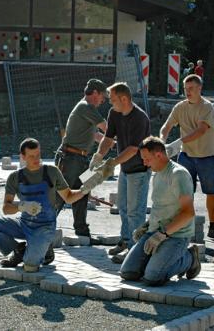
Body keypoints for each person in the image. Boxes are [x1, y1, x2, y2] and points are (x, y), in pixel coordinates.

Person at [0, 138, 87, 273]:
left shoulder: (52, 172)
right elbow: (6, 208)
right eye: (31, 156)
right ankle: (19, 250)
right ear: (23, 157)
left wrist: (84, 190)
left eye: (38, 155)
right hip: (23, 224)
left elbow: (68, 197)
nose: (36, 159)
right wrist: (22, 206)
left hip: (45, 227)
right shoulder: (15, 177)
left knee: (30, 267)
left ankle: (44, 249)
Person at [160, 74, 214, 242]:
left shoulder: (207, 107)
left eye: (191, 89)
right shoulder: (180, 107)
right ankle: (184, 226)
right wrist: (161, 141)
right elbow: (167, 126)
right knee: (184, 192)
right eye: (185, 89)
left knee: (212, 191)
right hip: (186, 156)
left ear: (200, 88)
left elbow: (201, 130)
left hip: (206, 156)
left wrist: (178, 141)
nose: (188, 92)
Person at [120, 136, 201, 286]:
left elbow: (188, 213)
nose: (144, 163)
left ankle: (189, 258)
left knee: (153, 277)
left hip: (176, 235)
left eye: (146, 159)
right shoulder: (157, 174)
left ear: (159, 155)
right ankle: (157, 261)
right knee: (128, 273)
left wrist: (163, 234)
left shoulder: (178, 175)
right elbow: (161, 207)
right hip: (154, 233)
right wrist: (146, 226)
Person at [91, 82, 151, 264]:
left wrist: (111, 163)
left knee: (135, 213)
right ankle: (125, 241)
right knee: (123, 209)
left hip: (139, 171)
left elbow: (133, 149)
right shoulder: (114, 113)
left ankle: (135, 251)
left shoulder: (140, 118)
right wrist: (99, 156)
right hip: (125, 169)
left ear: (124, 99)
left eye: (113, 99)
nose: (110, 103)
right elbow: (108, 139)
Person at [55, 79, 109, 242]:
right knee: (61, 194)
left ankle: (82, 232)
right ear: (95, 93)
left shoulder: (86, 110)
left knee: (83, 192)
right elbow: (106, 128)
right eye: (103, 97)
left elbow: (95, 135)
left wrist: (112, 143)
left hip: (80, 159)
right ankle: (41, 227)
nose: (103, 101)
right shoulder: (86, 107)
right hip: (71, 158)